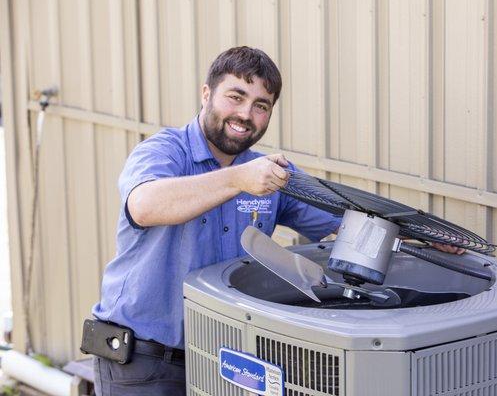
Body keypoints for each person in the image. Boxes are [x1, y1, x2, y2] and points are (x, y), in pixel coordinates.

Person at [91, 46, 341, 395]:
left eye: (261, 106)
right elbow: (144, 205)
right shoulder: (164, 151)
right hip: (145, 364)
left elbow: (340, 223)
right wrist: (238, 180)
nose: (245, 114)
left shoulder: (269, 176)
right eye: (235, 97)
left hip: (227, 361)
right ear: (206, 94)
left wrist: (417, 237)